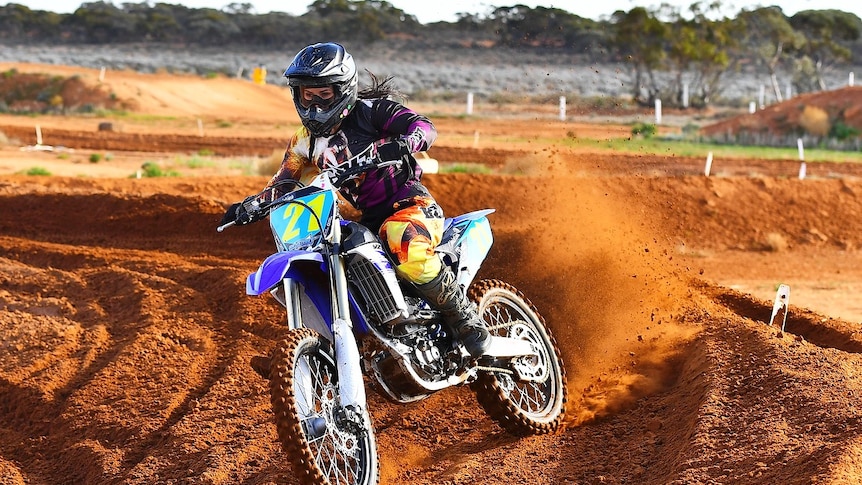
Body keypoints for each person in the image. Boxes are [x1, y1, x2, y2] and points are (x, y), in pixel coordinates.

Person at [221, 42, 490, 358]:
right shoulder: (305, 142)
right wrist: (251, 205)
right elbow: (284, 183)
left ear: (343, 89)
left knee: (406, 246)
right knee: (336, 257)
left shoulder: (373, 113)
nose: (315, 103)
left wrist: (409, 141)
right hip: (369, 219)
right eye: (308, 94)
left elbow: (423, 126)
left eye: (324, 94)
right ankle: (318, 358)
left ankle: (466, 319)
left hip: (410, 205)